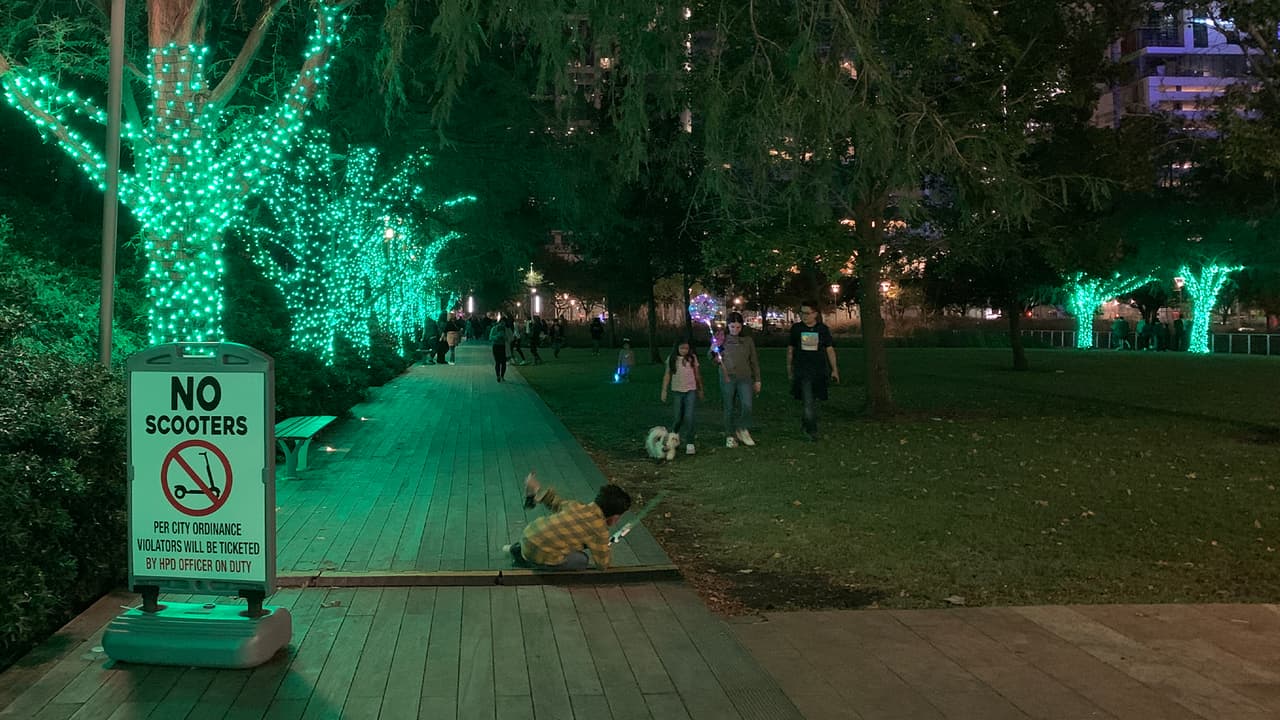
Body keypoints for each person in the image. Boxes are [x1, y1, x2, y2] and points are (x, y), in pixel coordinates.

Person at [505, 471, 632, 570]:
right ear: (615, 517)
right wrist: (605, 546)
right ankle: (532, 563)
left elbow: (553, 501)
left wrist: (537, 490)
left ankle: (518, 549)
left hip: (528, 536)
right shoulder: (600, 531)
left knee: (556, 534)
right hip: (539, 553)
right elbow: (603, 565)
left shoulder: (576, 506)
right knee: (581, 560)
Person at [787, 301, 839, 441]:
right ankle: (811, 430)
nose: (804, 316)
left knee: (814, 401)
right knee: (808, 400)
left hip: (819, 371)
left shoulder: (822, 329)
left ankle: (806, 423)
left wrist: (834, 369)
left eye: (807, 313)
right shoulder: (796, 329)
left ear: (815, 314)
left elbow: (829, 349)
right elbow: (791, 349)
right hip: (803, 371)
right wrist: (789, 368)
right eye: (802, 313)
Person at [718, 312, 761, 448]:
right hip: (728, 377)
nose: (735, 330)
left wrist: (757, 379)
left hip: (745, 377)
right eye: (732, 327)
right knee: (729, 407)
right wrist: (715, 353)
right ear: (728, 326)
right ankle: (730, 435)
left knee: (747, 405)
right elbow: (712, 357)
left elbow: (754, 361)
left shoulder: (747, 341)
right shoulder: (722, 339)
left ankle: (742, 428)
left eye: (738, 327)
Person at [661, 337, 705, 455]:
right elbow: (667, 375)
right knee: (678, 418)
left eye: (686, 348)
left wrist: (700, 389)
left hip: (691, 391)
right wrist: (664, 391)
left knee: (689, 417)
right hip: (677, 391)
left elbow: (697, 374)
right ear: (677, 348)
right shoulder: (672, 359)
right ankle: (673, 438)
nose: (684, 350)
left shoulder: (692, 358)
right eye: (682, 348)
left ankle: (690, 442)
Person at [489, 314, 513, 382]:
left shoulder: (507, 329)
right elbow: (490, 337)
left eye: (504, 323)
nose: (502, 324)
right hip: (496, 346)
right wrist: (497, 337)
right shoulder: (494, 328)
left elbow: (511, 338)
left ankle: (502, 376)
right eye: (501, 322)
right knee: (497, 362)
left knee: (503, 363)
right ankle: (498, 376)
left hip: (504, 348)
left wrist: (506, 337)